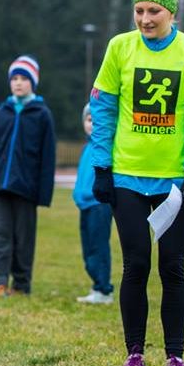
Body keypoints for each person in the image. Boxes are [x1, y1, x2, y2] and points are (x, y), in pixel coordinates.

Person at [90, 0, 184, 366]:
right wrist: (101, 166)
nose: (145, 19)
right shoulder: (119, 48)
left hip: (173, 181)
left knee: (173, 267)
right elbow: (104, 109)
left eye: (154, 12)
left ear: (172, 13)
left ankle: (175, 357)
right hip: (127, 175)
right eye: (139, 11)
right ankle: (133, 355)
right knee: (135, 265)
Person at [0, 55, 56, 297]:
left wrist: (43, 193)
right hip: (0, 186)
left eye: (24, 79)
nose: (19, 83)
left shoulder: (42, 114)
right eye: (15, 79)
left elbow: (48, 156)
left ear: (33, 82)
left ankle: (22, 284)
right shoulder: (2, 112)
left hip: (27, 188)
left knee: (24, 240)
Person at [74, 104, 115, 305]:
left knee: (99, 247)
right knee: (88, 247)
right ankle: (96, 285)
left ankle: (104, 289)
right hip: (85, 205)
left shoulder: (106, 148)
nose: (93, 124)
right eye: (89, 120)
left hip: (99, 205)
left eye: (97, 120)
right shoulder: (87, 147)